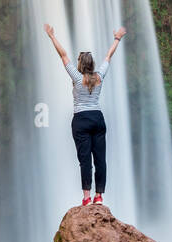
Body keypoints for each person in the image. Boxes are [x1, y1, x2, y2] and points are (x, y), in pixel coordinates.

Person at [43, 23, 126, 207]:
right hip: (97, 118)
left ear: (80, 64)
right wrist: (117, 38)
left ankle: (87, 198)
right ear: (92, 64)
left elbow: (63, 55)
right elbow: (108, 56)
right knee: (100, 159)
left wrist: (52, 36)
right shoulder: (99, 76)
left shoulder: (76, 77)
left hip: (80, 120)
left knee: (85, 160)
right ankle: (99, 197)